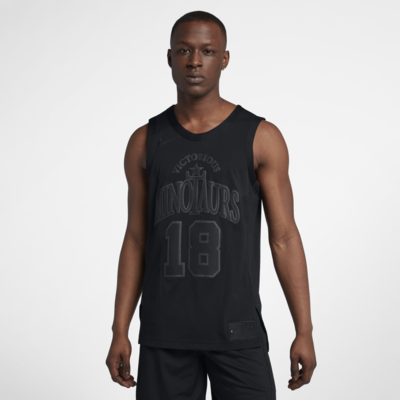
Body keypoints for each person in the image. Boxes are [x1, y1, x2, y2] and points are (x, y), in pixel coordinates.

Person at [105, 10, 316, 399]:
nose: (195, 61)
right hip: (165, 332)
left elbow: (284, 237)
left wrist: (304, 329)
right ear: (169, 57)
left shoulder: (260, 137)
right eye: (184, 50)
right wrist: (120, 329)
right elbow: (136, 239)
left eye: (207, 51)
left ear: (225, 59)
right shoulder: (144, 142)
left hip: (237, 330)